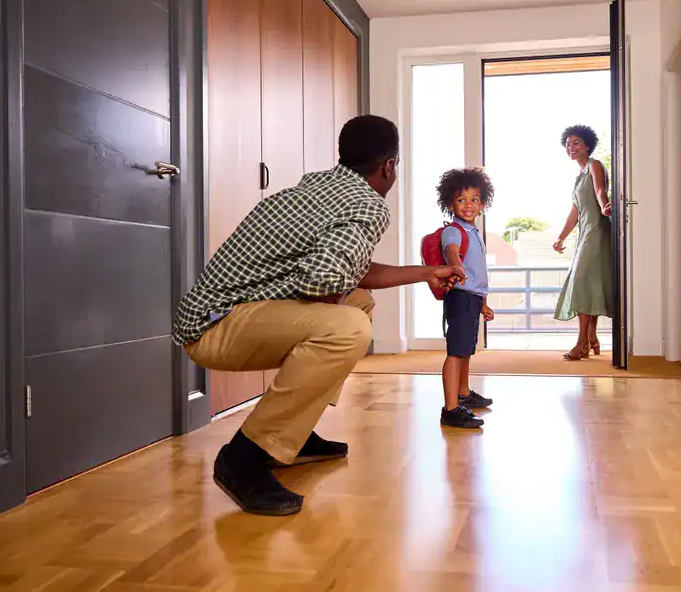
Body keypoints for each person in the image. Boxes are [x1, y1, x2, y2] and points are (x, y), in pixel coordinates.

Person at [172, 115, 465, 516]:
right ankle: (244, 457)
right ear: (389, 166)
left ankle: (294, 432)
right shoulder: (365, 204)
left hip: (217, 315)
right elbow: (322, 279)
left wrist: (428, 272)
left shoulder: (318, 189)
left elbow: (352, 272)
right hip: (216, 325)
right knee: (348, 327)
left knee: (357, 303)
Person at [436, 167, 496, 428]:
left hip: (472, 297)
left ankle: (464, 393)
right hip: (460, 297)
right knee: (456, 352)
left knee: (466, 350)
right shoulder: (453, 230)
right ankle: (451, 408)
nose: (468, 205)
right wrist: (454, 264)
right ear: (450, 204)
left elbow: (478, 272)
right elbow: (452, 251)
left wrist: (483, 304)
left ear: (482, 204)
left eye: (474, 200)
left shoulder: (475, 233)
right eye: (461, 200)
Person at [552, 124, 615, 360]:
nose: (571, 147)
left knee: (580, 282)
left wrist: (604, 207)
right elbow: (575, 212)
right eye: (568, 144)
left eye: (576, 142)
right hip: (585, 232)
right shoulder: (578, 176)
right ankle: (592, 338)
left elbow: (600, 190)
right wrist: (561, 237)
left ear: (587, 145)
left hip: (597, 230)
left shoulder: (594, 165)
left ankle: (581, 344)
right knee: (589, 283)